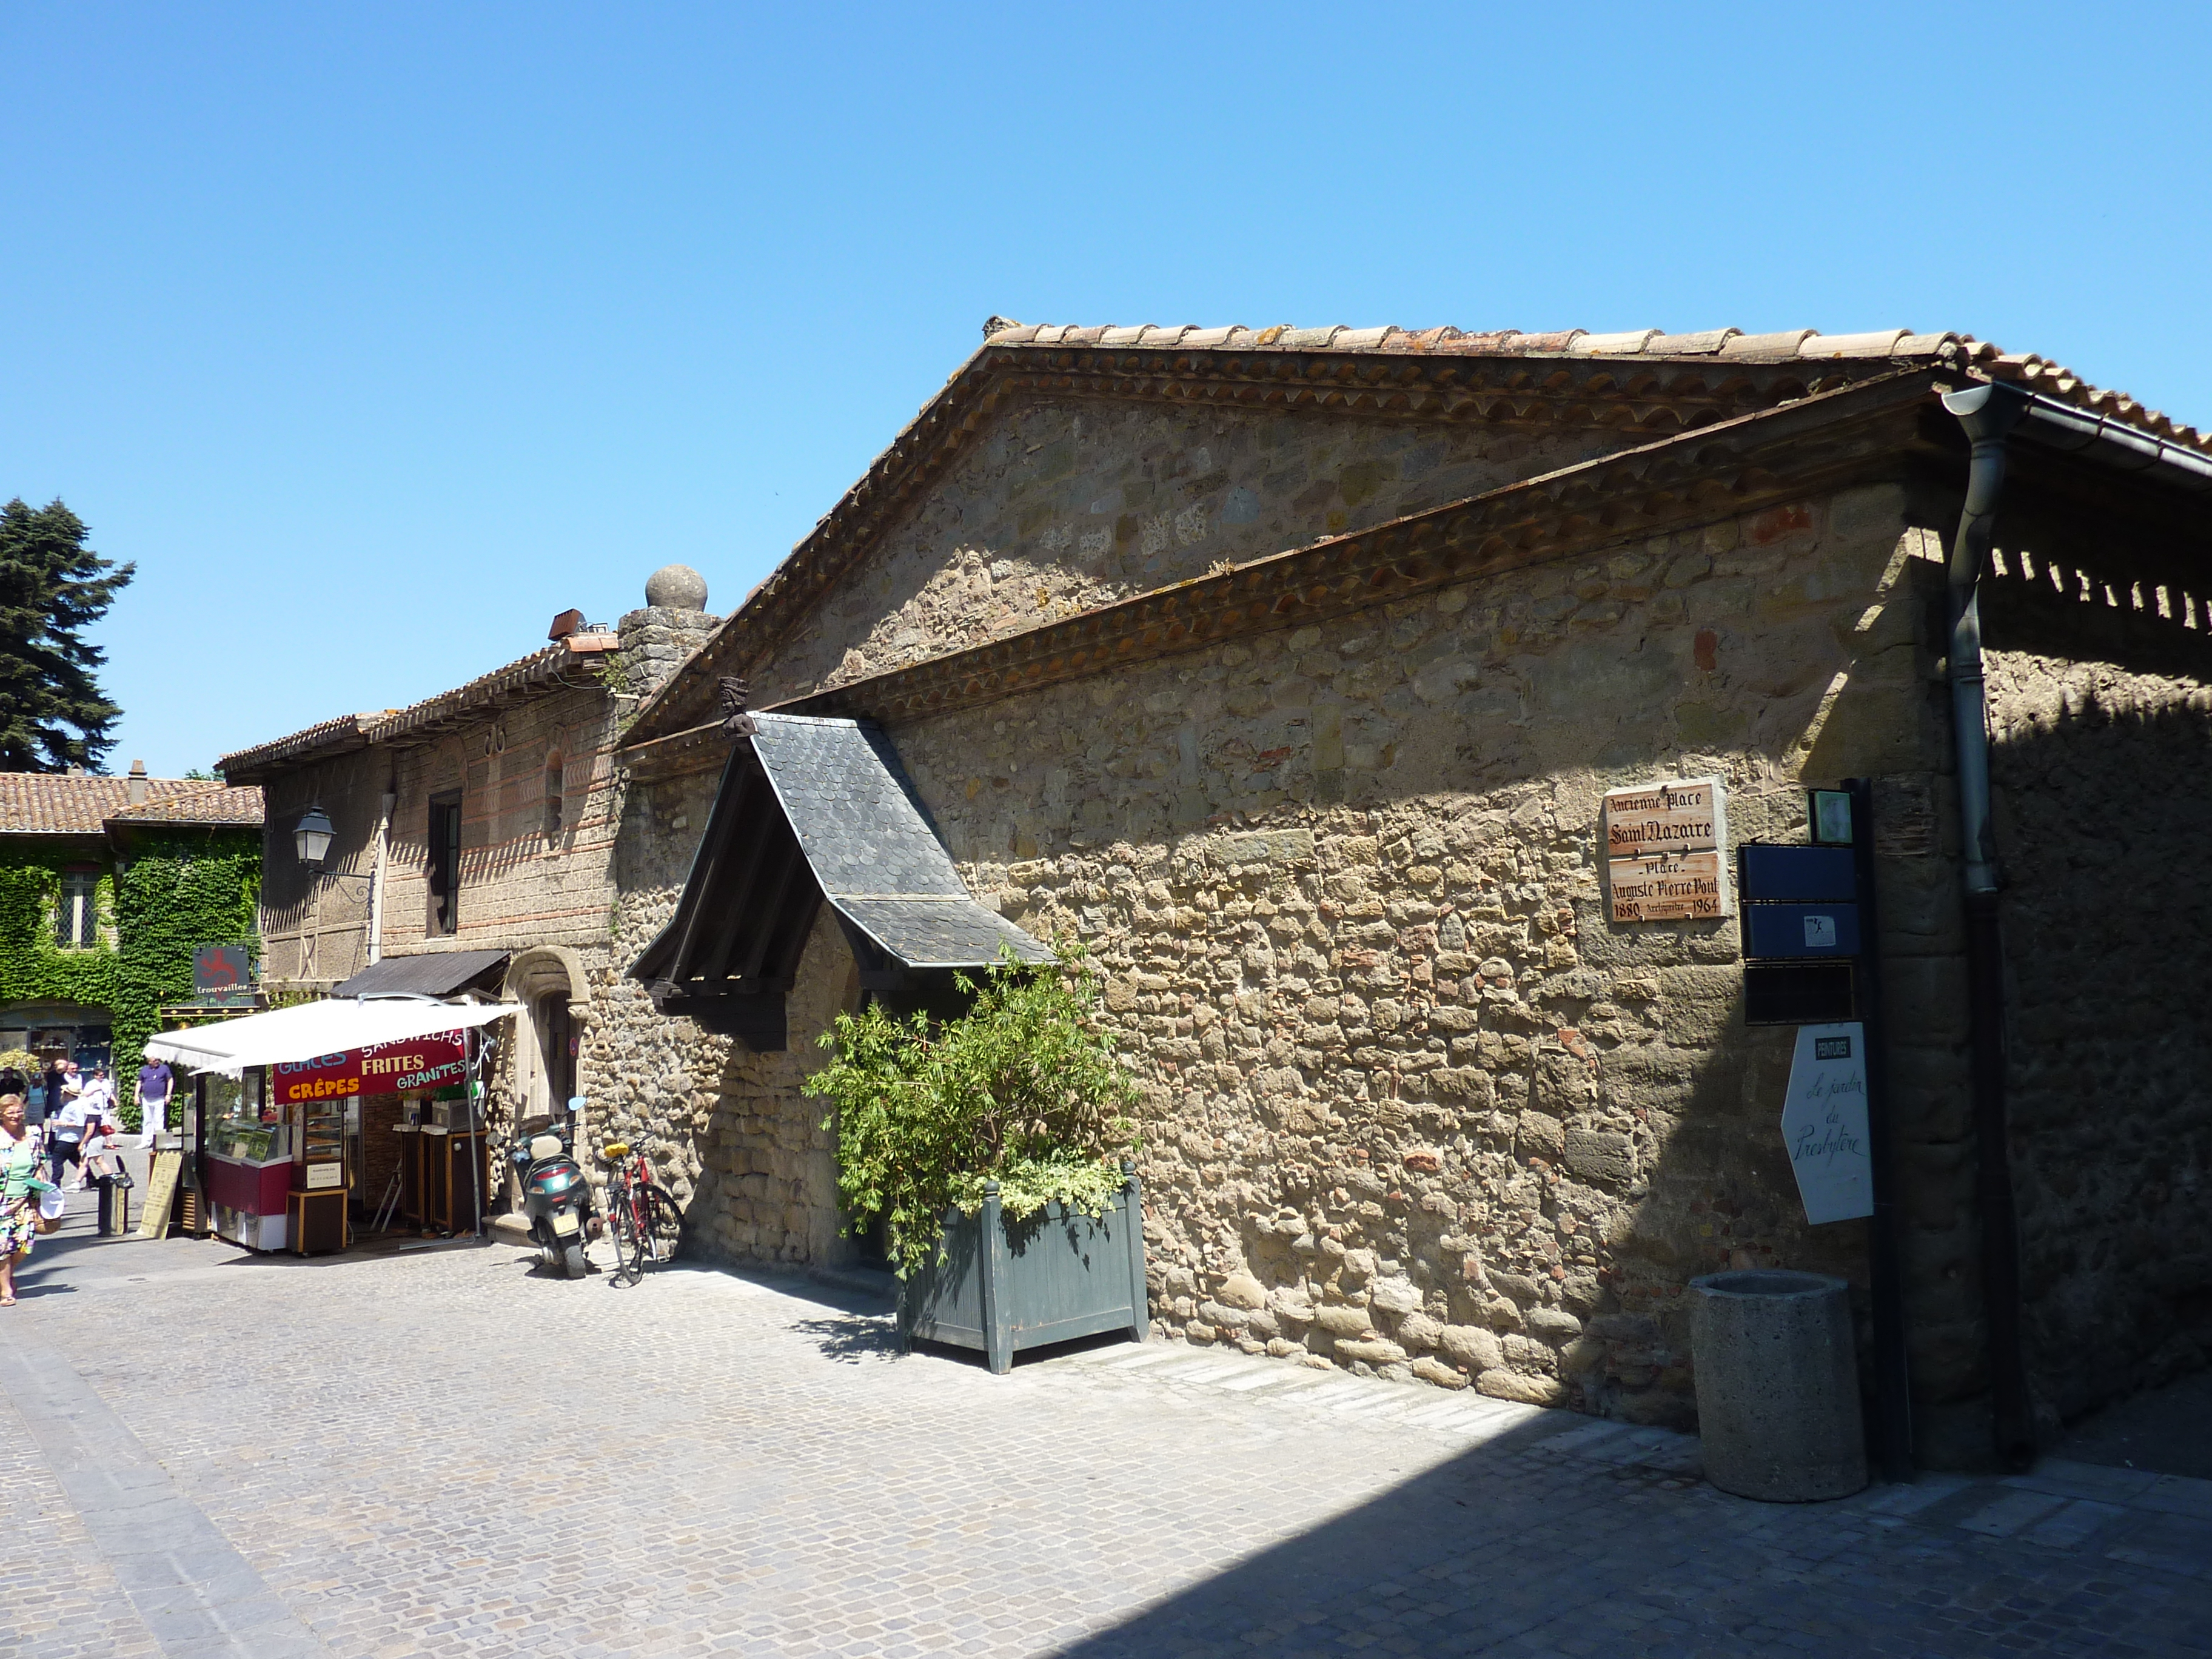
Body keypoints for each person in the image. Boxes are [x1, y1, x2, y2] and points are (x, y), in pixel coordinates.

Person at [1, 1093, 39, 1305]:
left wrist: (41, 1179)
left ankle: (7, 1274)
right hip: (2, 1201)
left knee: (25, 1245)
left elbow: (41, 1161)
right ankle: (6, 1290)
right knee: (3, 1246)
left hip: (26, 1199)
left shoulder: (33, 1135)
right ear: (2, 1115)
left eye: (18, 1111)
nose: (16, 1115)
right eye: (11, 1112)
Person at [49, 1088, 90, 1191]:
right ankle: (92, 1180)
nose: (62, 1094)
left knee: (57, 1161)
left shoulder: (76, 1106)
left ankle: (56, 1183)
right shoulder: (69, 1104)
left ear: (69, 1094)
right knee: (76, 1161)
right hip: (65, 1137)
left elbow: (80, 1123)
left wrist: (62, 1123)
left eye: (65, 1093)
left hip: (69, 1139)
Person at [136, 1057, 174, 1146]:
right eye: (154, 1061)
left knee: (159, 1121)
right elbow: (139, 1082)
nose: (157, 1062)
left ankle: (159, 1142)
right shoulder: (144, 1070)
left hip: (159, 1098)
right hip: (146, 1099)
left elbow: (170, 1080)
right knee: (147, 1121)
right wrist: (136, 1096)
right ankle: (146, 1142)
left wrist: (168, 1094)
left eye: (158, 1060)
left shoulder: (164, 1068)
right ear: (149, 1062)